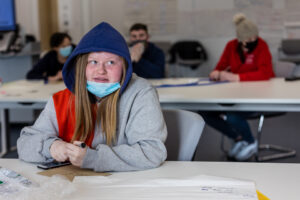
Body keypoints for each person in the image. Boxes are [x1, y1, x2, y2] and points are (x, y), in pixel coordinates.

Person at [17, 22, 167, 172]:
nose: (101, 70)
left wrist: (93, 158)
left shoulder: (141, 93)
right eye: (93, 62)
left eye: (110, 62)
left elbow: (152, 152)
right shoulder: (63, 99)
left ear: (124, 67)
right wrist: (51, 146)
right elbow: (24, 144)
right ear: (82, 66)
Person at [201, 13, 275, 161]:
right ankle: (238, 138)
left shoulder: (262, 45)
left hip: (257, 94)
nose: (253, 41)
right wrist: (216, 73)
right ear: (240, 39)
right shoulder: (231, 46)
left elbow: (265, 73)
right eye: (248, 39)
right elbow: (220, 66)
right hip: (233, 94)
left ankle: (250, 142)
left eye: (254, 38)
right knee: (205, 113)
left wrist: (238, 77)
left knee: (232, 115)